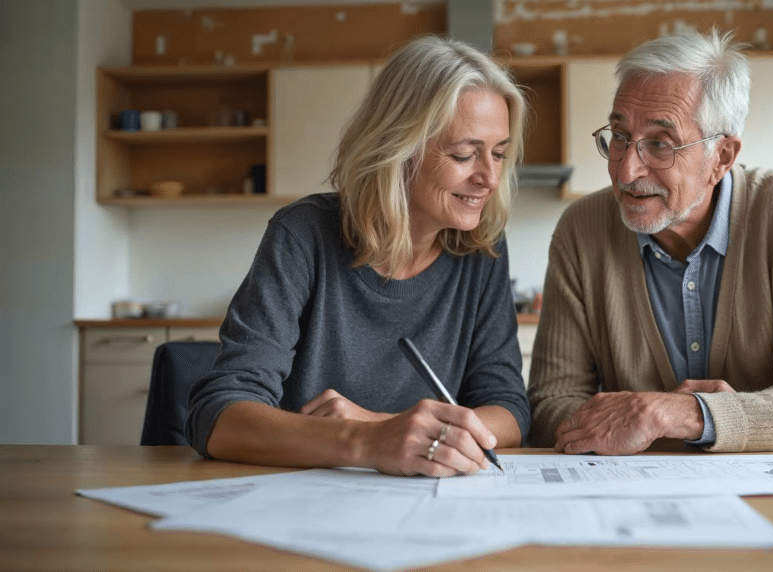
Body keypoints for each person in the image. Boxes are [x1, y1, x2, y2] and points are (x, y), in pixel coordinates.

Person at [186, 35, 530, 477]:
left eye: (499, 154)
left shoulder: (484, 250)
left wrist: (387, 426)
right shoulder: (303, 234)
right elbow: (219, 417)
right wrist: (366, 441)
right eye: (463, 154)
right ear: (398, 148)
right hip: (299, 499)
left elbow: (510, 412)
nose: (488, 178)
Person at [527, 29, 773, 454]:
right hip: (649, 491)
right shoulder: (582, 229)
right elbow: (547, 407)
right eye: (619, 137)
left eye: (660, 144)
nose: (627, 170)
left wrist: (686, 415)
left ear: (721, 157)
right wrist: (644, 421)